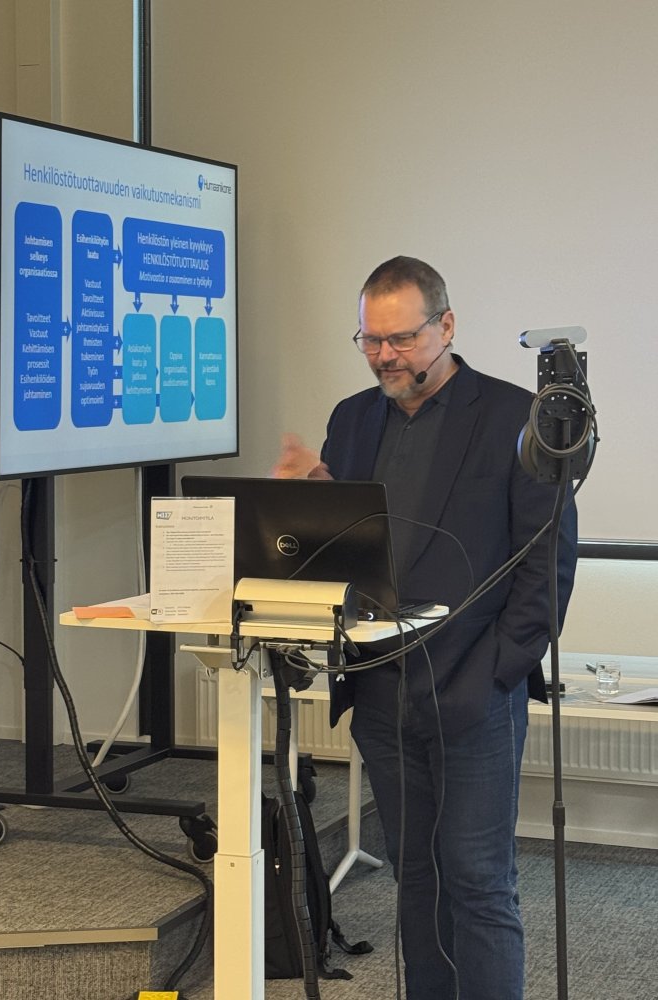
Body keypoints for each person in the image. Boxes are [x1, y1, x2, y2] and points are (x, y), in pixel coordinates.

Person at [272, 255, 577, 1000]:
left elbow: (546, 568)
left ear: (446, 326)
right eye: (371, 340)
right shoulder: (351, 420)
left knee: (477, 881)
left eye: (401, 339)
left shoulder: (515, 419)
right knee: (416, 877)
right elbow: (349, 549)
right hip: (381, 695)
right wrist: (311, 498)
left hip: (474, 694)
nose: (384, 356)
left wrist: (492, 677)